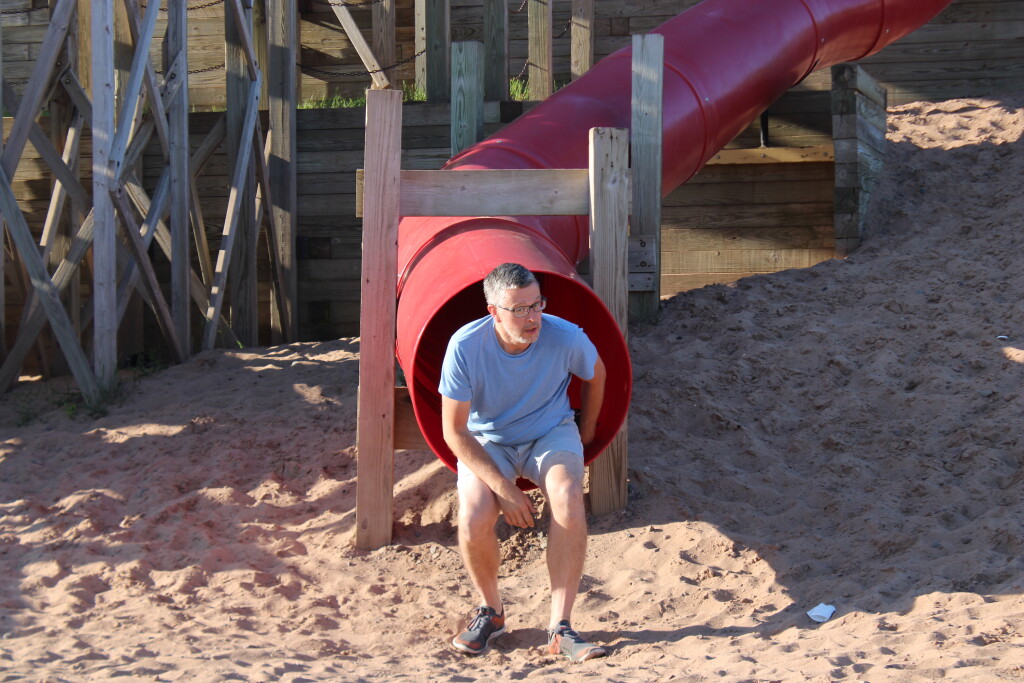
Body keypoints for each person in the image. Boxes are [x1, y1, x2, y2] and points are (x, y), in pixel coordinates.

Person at [439, 262, 608, 662]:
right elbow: (454, 432)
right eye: (519, 309)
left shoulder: (565, 336)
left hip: (549, 431)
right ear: (493, 311)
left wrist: (587, 428)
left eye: (537, 305)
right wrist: (505, 489)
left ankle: (561, 627)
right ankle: (491, 611)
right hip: (488, 439)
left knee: (568, 497)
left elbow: (597, 375)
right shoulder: (465, 346)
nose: (533, 318)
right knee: (474, 514)